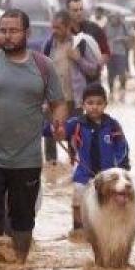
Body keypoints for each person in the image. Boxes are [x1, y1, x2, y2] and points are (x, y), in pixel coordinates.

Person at [0, 9, 66, 264]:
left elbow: (58, 102)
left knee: (23, 217)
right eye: (3, 31)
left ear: (26, 33)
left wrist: (59, 122)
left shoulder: (43, 66)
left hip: (27, 157)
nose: (7, 36)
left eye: (13, 31)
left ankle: (20, 264)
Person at [44, 83, 130, 235]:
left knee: (112, 204)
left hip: (108, 176)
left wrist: (119, 166)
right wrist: (55, 129)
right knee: (78, 198)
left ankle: (112, 230)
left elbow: (122, 147)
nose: (94, 107)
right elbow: (58, 132)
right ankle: (78, 230)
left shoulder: (113, 126)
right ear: (83, 104)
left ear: (105, 104)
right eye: (90, 103)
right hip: (84, 173)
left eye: (99, 103)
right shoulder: (76, 124)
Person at [42, 10, 100, 164]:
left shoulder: (79, 44)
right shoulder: (49, 45)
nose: (54, 31)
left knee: (74, 135)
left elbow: (94, 69)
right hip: (54, 99)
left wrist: (78, 58)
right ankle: (51, 168)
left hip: (74, 99)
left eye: (58, 27)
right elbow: (42, 72)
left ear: (68, 27)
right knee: (50, 135)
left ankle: (74, 166)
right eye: (52, 27)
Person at [66, 0, 111, 65]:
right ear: (68, 11)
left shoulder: (94, 29)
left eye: (81, 9)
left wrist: (96, 66)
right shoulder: (63, 30)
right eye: (75, 10)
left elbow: (106, 52)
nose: (79, 13)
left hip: (90, 73)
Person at [104, 13, 131, 102]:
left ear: (118, 19)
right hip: (110, 54)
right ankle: (111, 91)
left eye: (115, 18)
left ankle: (122, 90)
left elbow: (129, 38)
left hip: (121, 53)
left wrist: (122, 38)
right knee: (110, 74)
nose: (114, 20)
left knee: (122, 73)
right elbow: (102, 39)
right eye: (112, 18)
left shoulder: (123, 26)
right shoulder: (106, 27)